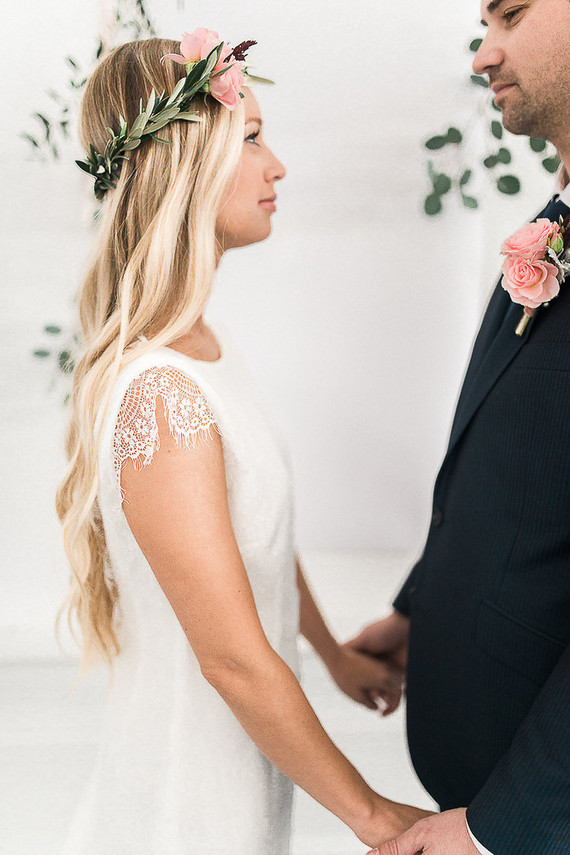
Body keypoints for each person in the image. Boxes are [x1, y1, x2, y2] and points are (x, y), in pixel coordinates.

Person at [56, 30, 430, 855]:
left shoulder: (201, 348)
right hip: (190, 799)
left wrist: (330, 653)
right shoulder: (160, 390)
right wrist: (375, 816)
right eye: (252, 136)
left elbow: (245, 533)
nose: (278, 166)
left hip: (244, 767)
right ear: (182, 165)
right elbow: (229, 658)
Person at [347, 2, 570, 854]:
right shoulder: (551, 227)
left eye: (509, 13)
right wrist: (422, 605)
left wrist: (495, 830)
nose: (483, 53)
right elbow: (514, 456)